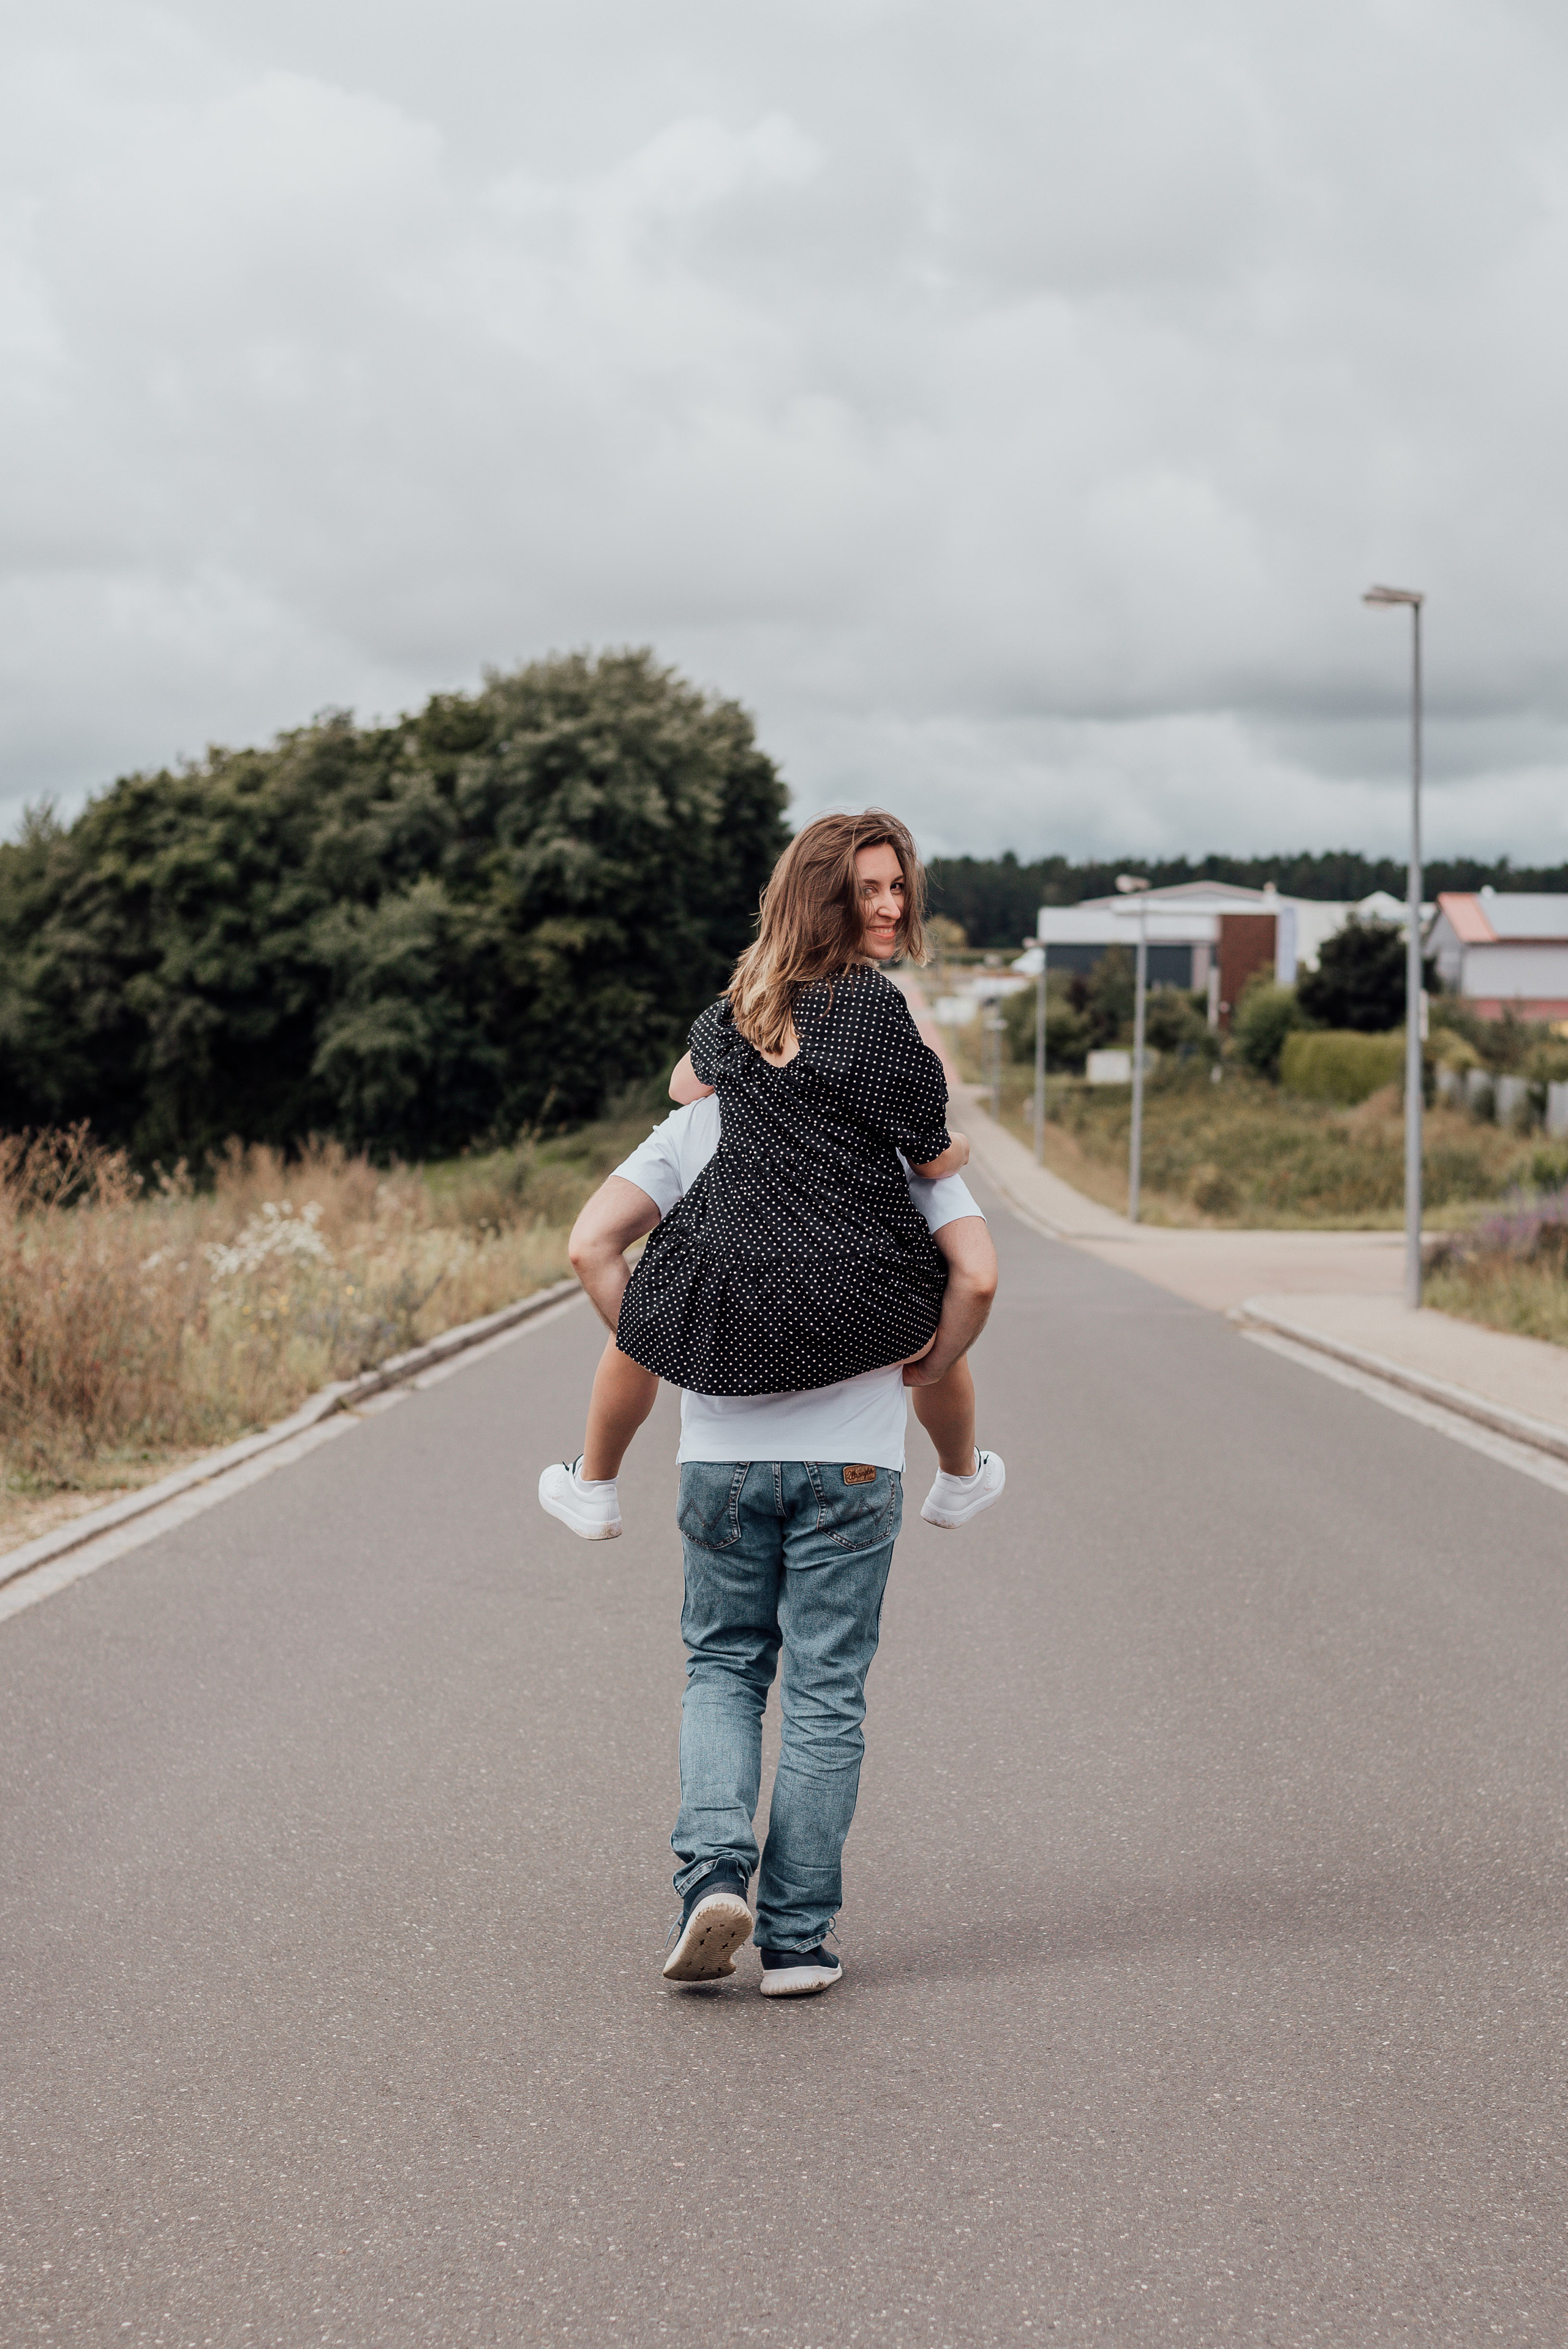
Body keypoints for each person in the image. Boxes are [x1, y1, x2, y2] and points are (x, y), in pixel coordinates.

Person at [560, 1089, 998, 1995]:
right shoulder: (893, 1125)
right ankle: (798, 1940)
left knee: (723, 1669)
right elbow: (978, 1276)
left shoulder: (701, 1124)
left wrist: (672, 1344)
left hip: (720, 1459)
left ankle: (715, 1880)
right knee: (826, 1694)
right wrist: (931, 1360)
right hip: (855, 1465)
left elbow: (589, 1245)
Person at [538, 810, 1002, 1542]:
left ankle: (594, 1481)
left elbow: (680, 1086)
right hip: (864, 1327)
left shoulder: (741, 1010)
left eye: (897, 888)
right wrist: (964, 1142)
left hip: (728, 1341)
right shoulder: (876, 1011)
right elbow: (934, 1157)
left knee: (651, 1308)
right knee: (945, 1282)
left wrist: (668, 1343)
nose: (891, 907)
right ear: (823, 901)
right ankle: (960, 1476)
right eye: (869, 892)